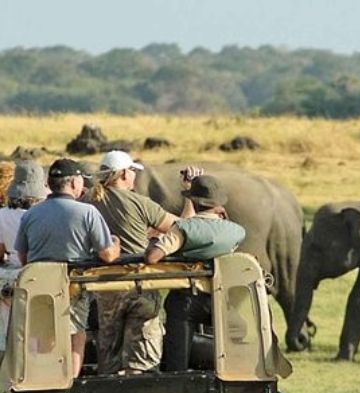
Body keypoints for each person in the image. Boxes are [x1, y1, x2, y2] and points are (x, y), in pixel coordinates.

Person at [85, 150, 195, 375]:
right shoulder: (140, 202)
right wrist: (189, 193)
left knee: (108, 355)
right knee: (143, 360)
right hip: (140, 284)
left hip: (104, 287)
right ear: (124, 174)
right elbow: (184, 228)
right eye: (133, 172)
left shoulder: (89, 200)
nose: (134, 176)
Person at [14, 158, 120, 377]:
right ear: (73, 184)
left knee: (43, 334)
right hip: (72, 287)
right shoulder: (87, 212)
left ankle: (43, 379)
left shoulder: (31, 214)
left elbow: (23, 257)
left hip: (38, 286)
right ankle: (68, 382)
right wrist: (116, 244)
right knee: (75, 334)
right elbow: (107, 255)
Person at [145, 175, 246, 371]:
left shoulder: (183, 228)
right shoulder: (238, 231)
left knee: (177, 356)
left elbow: (152, 258)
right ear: (219, 205)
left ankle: (177, 377)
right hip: (220, 298)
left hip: (186, 300)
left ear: (194, 202)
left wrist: (153, 243)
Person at [0, 161, 48, 354]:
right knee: (35, 331)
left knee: (6, 330)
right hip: (37, 276)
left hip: (8, 276)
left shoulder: (2, 215)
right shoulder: (42, 215)